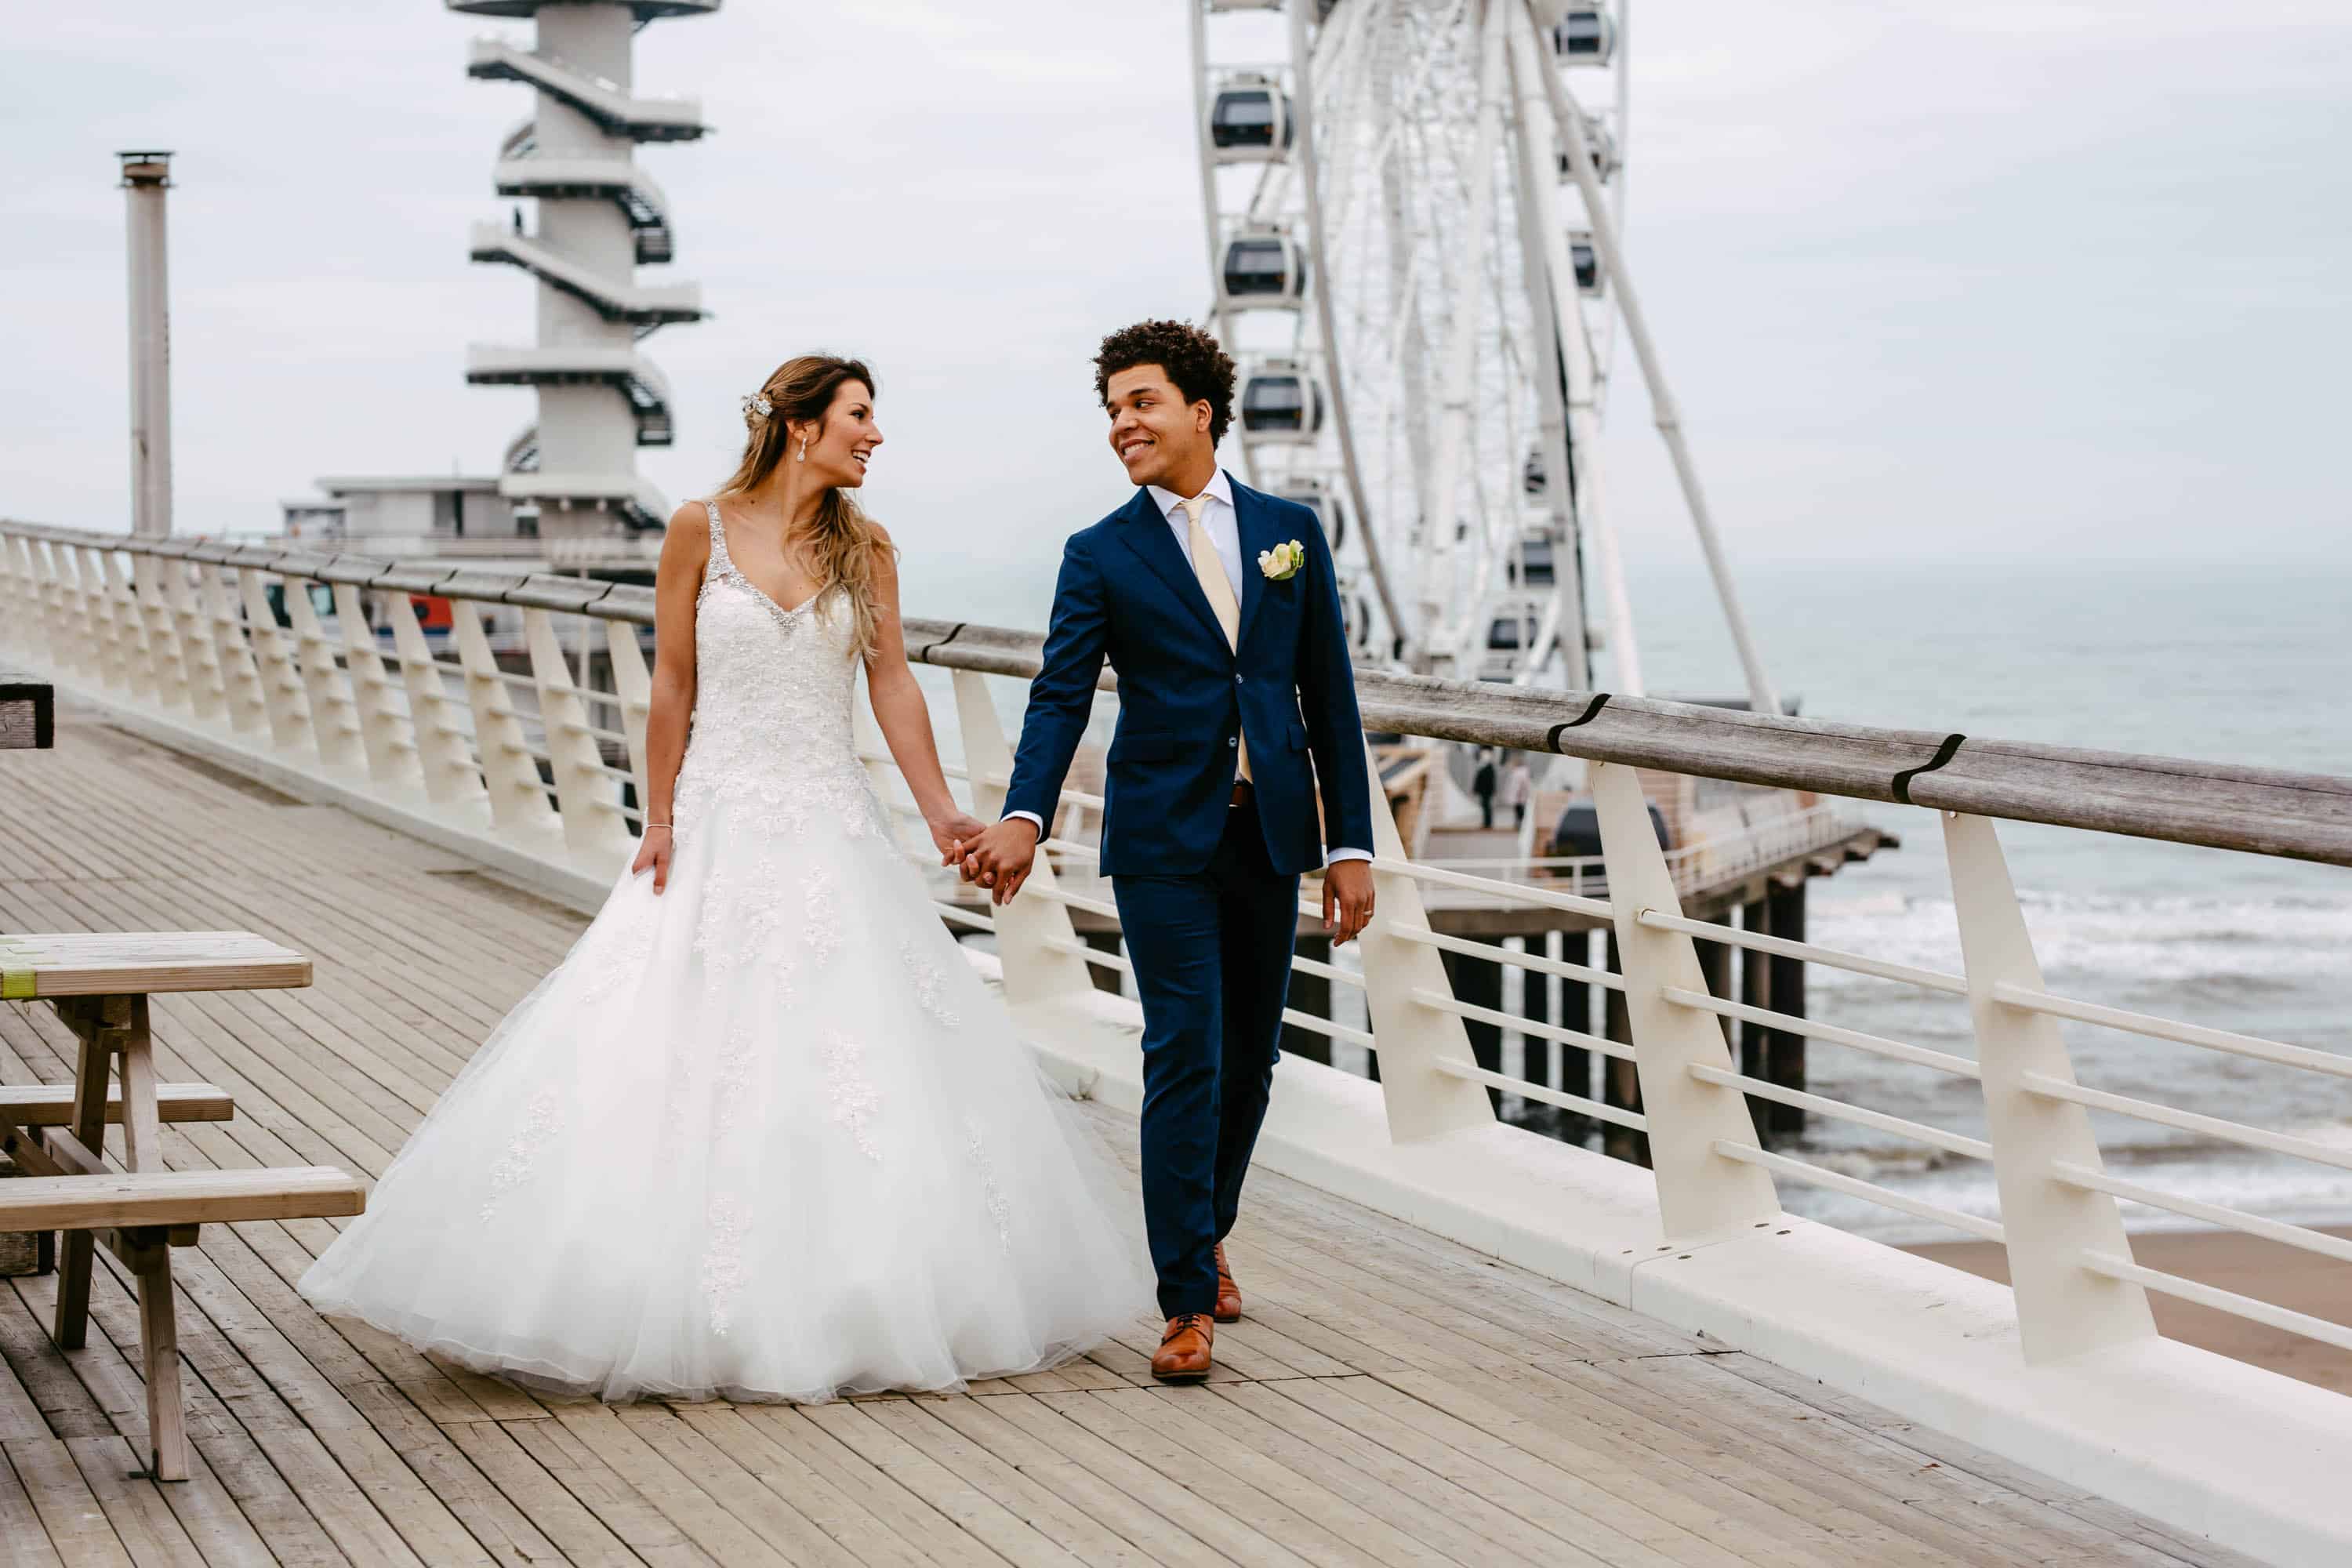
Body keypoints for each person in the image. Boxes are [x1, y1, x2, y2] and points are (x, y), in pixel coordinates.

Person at [299, 355, 1152, 1402]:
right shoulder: (699, 528)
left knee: (847, 1047)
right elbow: (671, 681)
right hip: (716, 816)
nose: (875, 438)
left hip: (832, 822)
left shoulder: (869, 547)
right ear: (801, 428)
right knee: (669, 1039)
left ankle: (851, 1296)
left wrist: (941, 813)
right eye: (859, 418)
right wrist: (657, 817)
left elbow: (890, 685)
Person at [952, 321, 1376, 1384]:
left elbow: (1329, 696)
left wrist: (1352, 845)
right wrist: (1024, 814)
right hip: (1159, 836)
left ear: (1201, 409)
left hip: (1270, 832)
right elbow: (1059, 695)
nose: (1121, 425)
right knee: (1184, 1048)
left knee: (1252, 1060)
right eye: (1111, 409)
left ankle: (1207, 1225)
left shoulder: (1290, 533)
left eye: (1140, 402)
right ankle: (1184, 1298)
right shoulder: (1099, 553)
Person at [1503, 755, 1534, 829]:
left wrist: (1518, 794)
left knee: (1520, 812)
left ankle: (1520, 825)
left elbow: (1519, 785)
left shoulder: (1519, 773)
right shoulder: (1522, 772)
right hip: (1520, 796)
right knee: (1519, 811)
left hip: (1519, 797)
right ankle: (1520, 824)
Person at [1472, 747, 1498, 829]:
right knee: (1485, 806)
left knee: (1487, 807)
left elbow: (1491, 781)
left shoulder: (1488, 768)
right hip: (1484, 791)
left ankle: (1488, 824)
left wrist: (1493, 790)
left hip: (1487, 791)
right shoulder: (1483, 766)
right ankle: (1486, 823)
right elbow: (1479, 779)